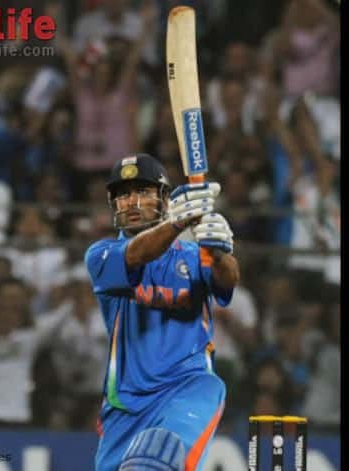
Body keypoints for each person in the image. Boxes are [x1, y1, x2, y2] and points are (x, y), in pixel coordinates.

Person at [84, 153, 240, 471]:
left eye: (142, 191)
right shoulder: (101, 255)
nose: (132, 202)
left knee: (156, 460)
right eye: (123, 195)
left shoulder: (194, 256)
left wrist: (219, 251)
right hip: (125, 407)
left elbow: (227, 281)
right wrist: (178, 222)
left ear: (165, 199)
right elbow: (138, 253)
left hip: (187, 388)